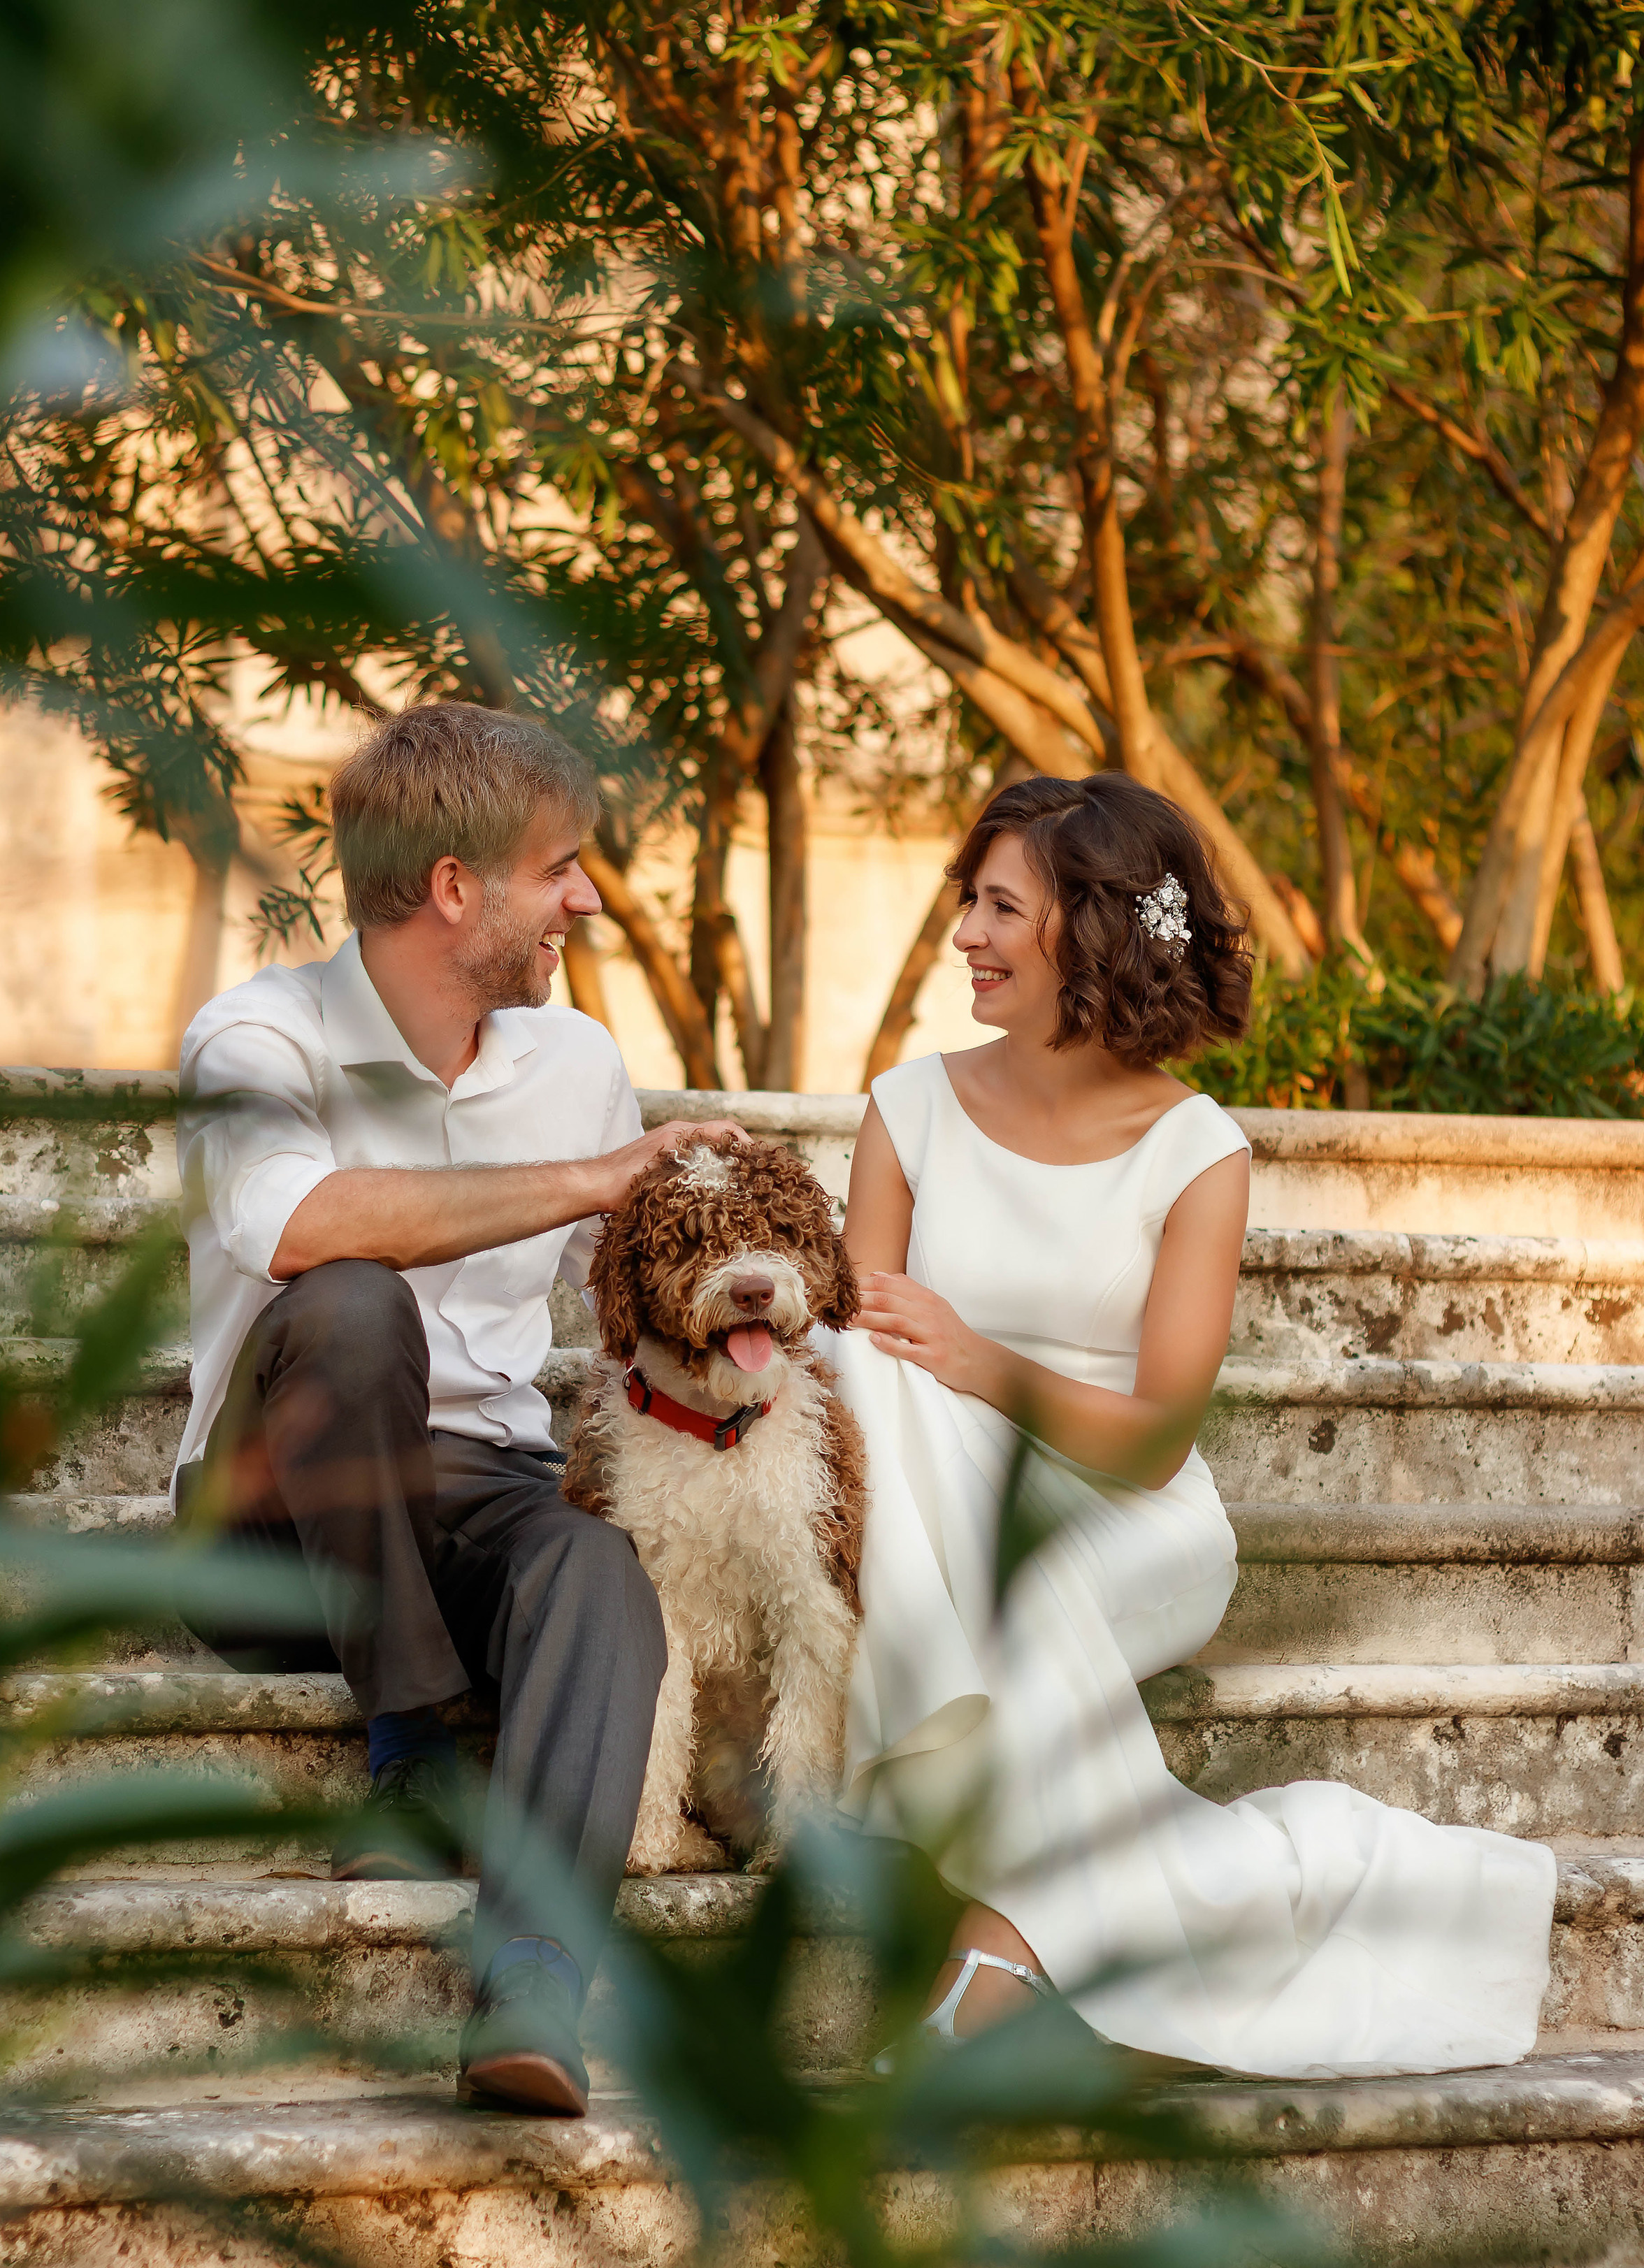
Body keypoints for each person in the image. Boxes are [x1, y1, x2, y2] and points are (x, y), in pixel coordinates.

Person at [825, 772, 1556, 2080]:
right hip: (935, 1494)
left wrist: (980, 1361)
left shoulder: (1195, 1151)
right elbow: (855, 1350)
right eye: (968, 902)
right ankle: (1010, 1950)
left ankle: (1002, 1930)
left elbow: (1158, 1435)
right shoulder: (909, 1106)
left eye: (1001, 908)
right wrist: (940, 1370)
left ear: (1093, 929)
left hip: (1126, 1515)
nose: (967, 936)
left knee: (965, 1515)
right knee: (859, 1366)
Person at [171, 700, 740, 2121]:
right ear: (451, 889)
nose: (584, 900)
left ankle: (533, 1981)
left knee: (594, 1568)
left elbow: (638, 1294)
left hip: (477, 1491)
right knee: (355, 1303)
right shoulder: (257, 1037)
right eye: (559, 870)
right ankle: (414, 1748)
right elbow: (295, 1225)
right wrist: (588, 1180)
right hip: (273, 1522)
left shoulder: (575, 1061)